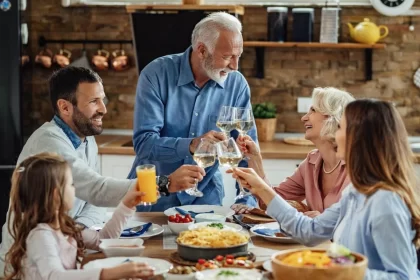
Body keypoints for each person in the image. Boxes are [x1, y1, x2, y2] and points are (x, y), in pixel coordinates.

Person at [0, 66, 204, 277]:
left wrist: (74, 231)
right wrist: (165, 183)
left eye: (102, 99)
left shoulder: (86, 139)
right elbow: (96, 190)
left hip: (71, 256)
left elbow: (94, 204)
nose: (104, 109)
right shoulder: (50, 145)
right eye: (93, 101)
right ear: (65, 107)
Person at [232, 99, 420, 279]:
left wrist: (332, 271)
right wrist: (262, 188)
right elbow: (308, 230)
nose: (334, 135)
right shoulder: (356, 193)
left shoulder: (385, 202)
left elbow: (404, 277)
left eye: (340, 127)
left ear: (359, 138)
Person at [127, 12, 257, 211]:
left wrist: (246, 199)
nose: (234, 66)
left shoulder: (237, 85)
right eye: (227, 57)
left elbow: (247, 149)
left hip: (206, 199)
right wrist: (192, 145)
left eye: (238, 56)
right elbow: (144, 145)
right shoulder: (156, 74)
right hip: (154, 196)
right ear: (202, 50)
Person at [4, 153, 155, 280]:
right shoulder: (41, 236)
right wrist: (109, 273)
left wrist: (126, 205)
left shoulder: (64, 227)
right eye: (71, 185)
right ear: (57, 195)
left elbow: (103, 239)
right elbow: (55, 276)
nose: (74, 190)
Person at [232, 87, 354, 217]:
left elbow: (365, 224)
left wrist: (325, 224)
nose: (304, 118)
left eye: (313, 110)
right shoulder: (311, 163)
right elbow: (272, 203)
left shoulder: (359, 166)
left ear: (332, 117)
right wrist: (255, 158)